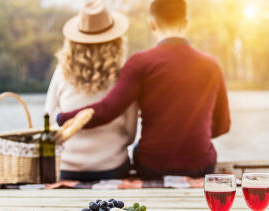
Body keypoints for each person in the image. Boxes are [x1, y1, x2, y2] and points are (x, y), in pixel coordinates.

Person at [57, 0, 231, 179]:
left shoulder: (139, 63)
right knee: (204, 150)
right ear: (186, 23)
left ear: (152, 24)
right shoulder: (212, 65)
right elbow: (223, 125)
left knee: (140, 150)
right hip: (201, 166)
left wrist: (62, 118)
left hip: (152, 166)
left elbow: (108, 110)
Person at [45, 0, 138, 181]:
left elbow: (48, 122)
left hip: (66, 167)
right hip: (111, 167)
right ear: (116, 40)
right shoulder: (124, 75)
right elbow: (131, 133)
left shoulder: (61, 72)